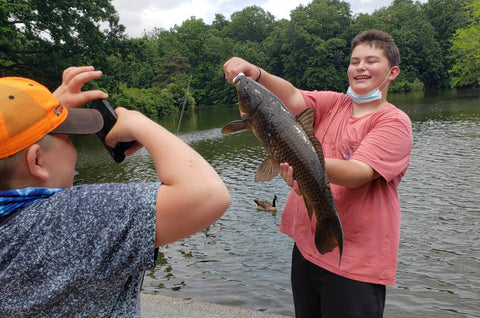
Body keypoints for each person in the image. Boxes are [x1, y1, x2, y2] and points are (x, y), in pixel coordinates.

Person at [0, 66, 230, 316]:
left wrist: (37, 115)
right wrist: (143, 125)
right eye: (67, 138)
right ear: (37, 162)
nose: (73, 144)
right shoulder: (76, 219)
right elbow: (207, 195)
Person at [224, 29, 412, 317]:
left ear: (393, 71)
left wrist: (299, 162)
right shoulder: (334, 103)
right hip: (307, 249)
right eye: (355, 61)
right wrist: (257, 74)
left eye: (371, 61)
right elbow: (291, 95)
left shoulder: (394, 121)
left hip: (356, 264)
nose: (360, 67)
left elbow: (358, 172)